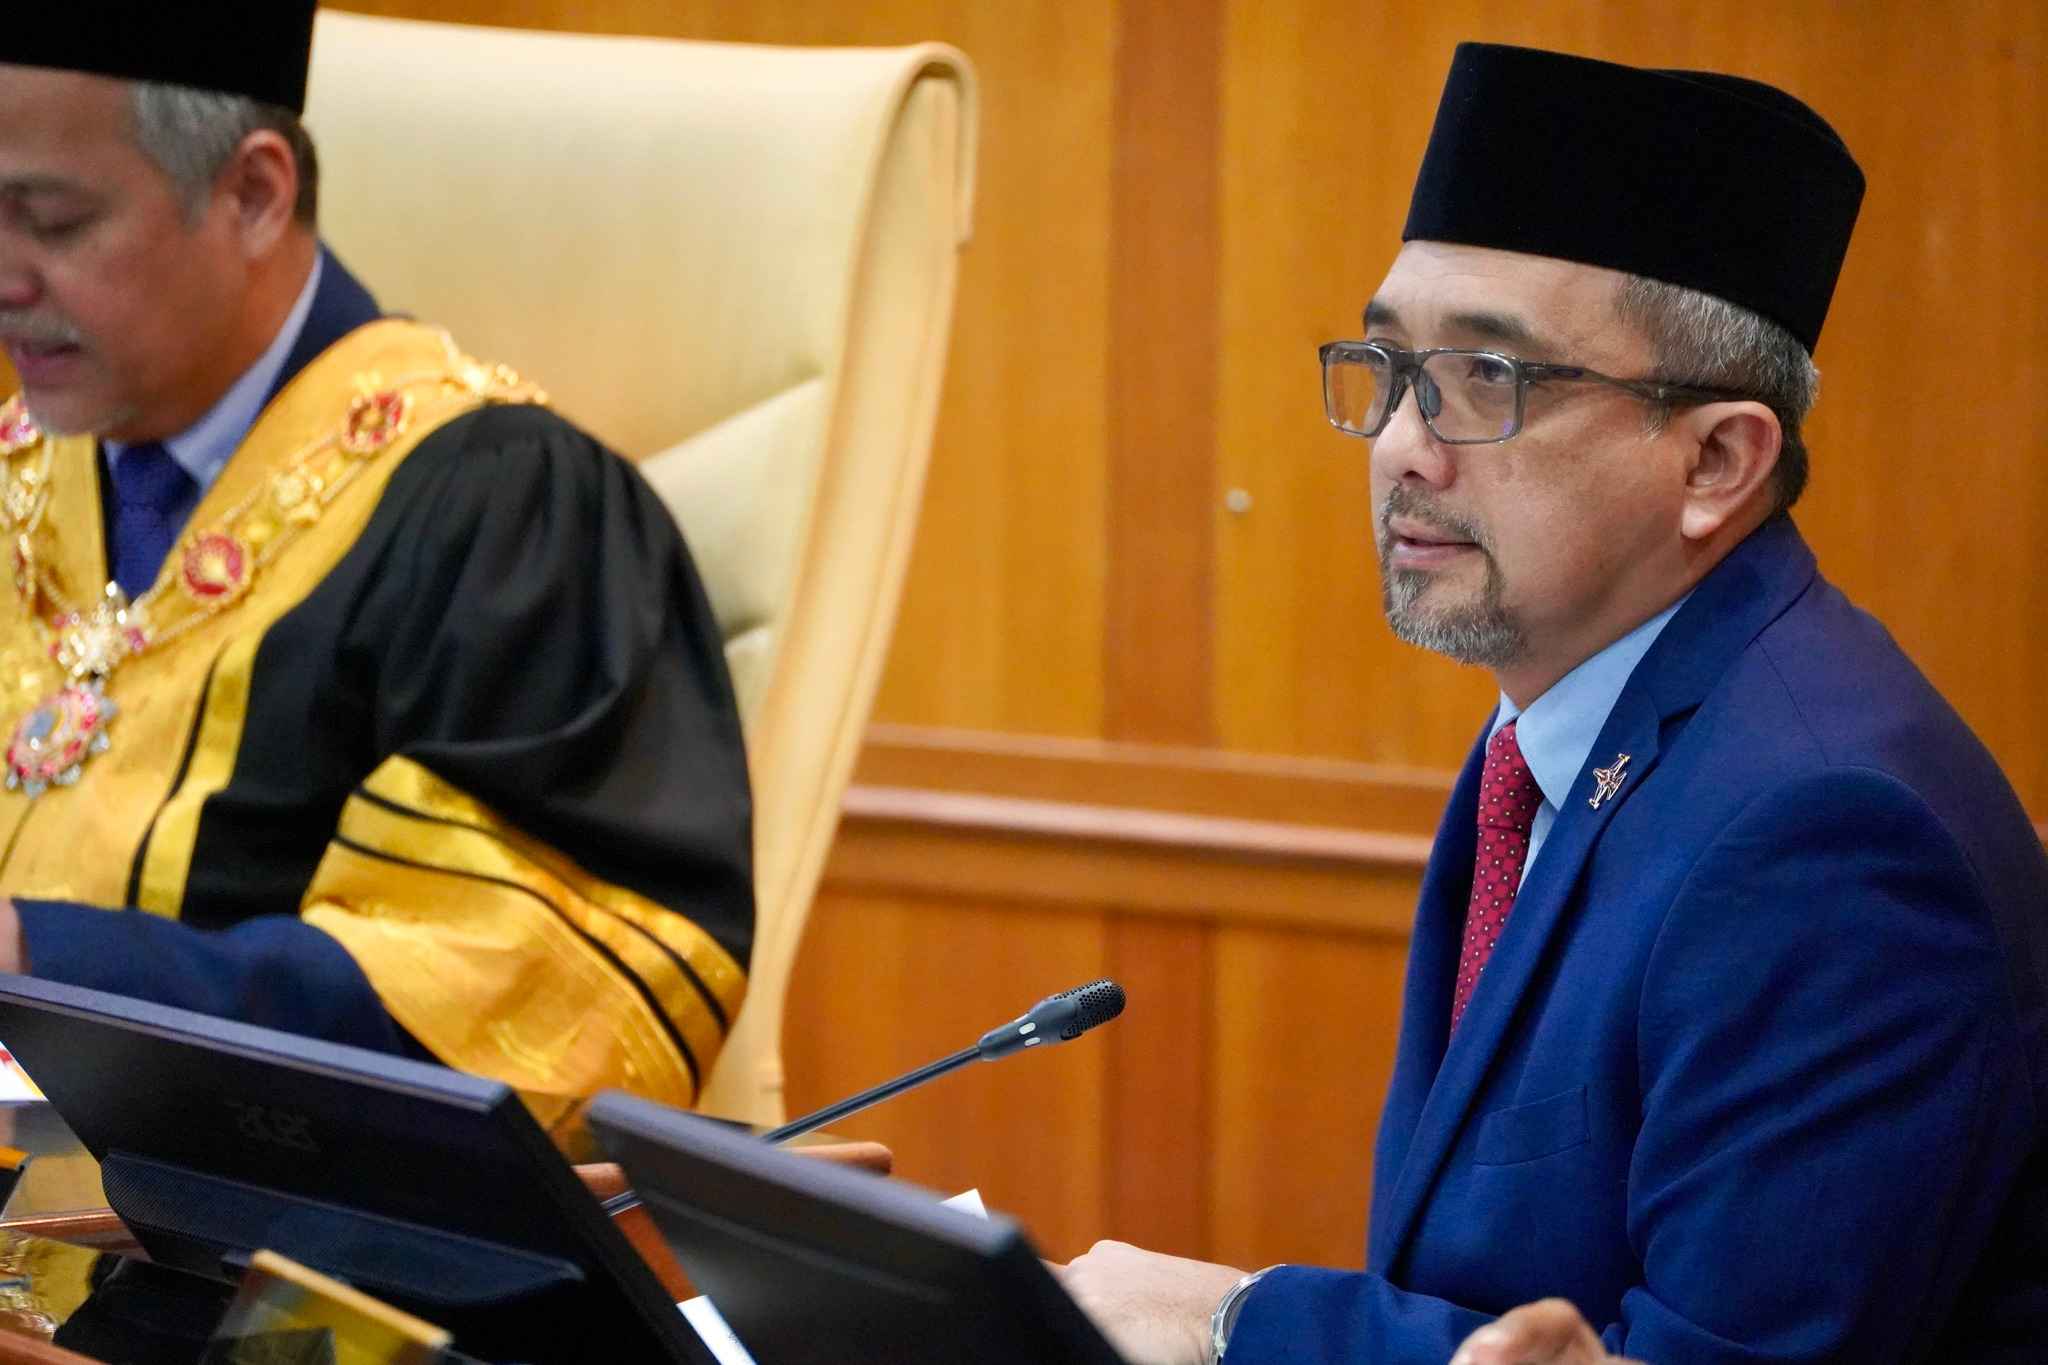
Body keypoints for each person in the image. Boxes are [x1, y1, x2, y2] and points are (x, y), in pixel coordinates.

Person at [1059, 42, 2048, 1364]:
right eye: (1390, 364)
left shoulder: (1829, 836)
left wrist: (1236, 1321)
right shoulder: (1559, 723)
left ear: (1716, 460)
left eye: (1490, 379)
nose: (1402, 446)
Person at [0, 2, 753, 1123]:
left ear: (255, 195)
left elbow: (515, 997)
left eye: (52, 221)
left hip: (236, 1224)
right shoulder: (23, 466)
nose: (6, 278)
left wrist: (38, 962)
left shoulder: (502, 516)